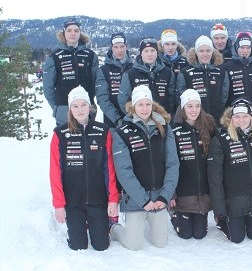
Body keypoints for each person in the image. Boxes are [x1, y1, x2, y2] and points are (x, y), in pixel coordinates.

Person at [49, 85, 119, 251]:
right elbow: (55, 171)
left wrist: (113, 199)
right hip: (73, 201)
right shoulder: (60, 133)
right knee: (78, 245)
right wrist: (59, 204)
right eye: (75, 105)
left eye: (83, 104)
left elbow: (109, 168)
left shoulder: (103, 131)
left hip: (97, 199)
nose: (80, 110)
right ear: (70, 109)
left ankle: (105, 227)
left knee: (101, 246)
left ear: (90, 106)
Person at [111, 85, 180, 250]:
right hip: (135, 198)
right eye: (140, 104)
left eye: (148, 104)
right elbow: (124, 171)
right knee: (134, 245)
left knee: (161, 242)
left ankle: (149, 220)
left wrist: (164, 196)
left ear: (152, 105)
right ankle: (114, 229)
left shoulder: (164, 128)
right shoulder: (122, 132)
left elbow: (172, 164)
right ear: (133, 106)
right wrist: (143, 200)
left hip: (158, 197)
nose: (144, 108)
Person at [207, 98, 252, 244]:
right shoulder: (221, 140)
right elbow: (215, 177)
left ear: (251, 117)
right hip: (234, 201)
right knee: (236, 239)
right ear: (231, 118)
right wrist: (220, 210)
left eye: (245, 116)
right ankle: (224, 223)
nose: (241, 120)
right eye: (237, 116)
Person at [170, 89, 216, 239]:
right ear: (183, 107)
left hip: (203, 191)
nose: (194, 110)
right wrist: (172, 194)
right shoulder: (173, 130)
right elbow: (169, 164)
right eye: (190, 106)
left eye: (197, 106)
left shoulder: (208, 127)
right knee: (185, 234)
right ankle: (175, 215)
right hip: (183, 192)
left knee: (199, 234)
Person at [43, 17, 99, 126]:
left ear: (80, 33)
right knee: (67, 142)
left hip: (87, 110)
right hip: (64, 112)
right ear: (64, 33)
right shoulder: (54, 57)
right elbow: (48, 87)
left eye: (76, 30)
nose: (73, 33)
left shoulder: (90, 55)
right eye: (69, 30)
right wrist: (56, 108)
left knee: (89, 142)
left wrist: (91, 102)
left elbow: (96, 82)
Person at [176, 35, 229, 124]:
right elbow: (181, 97)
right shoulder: (185, 72)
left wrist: (218, 108)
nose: (205, 54)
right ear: (196, 52)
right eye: (201, 51)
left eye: (208, 50)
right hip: (194, 120)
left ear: (213, 52)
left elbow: (224, 96)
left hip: (216, 119)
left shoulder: (221, 72)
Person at [221, 31, 252, 122]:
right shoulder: (226, 67)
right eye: (242, 48)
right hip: (235, 116)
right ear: (236, 48)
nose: (245, 51)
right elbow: (224, 95)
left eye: (248, 48)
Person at [118, 37, 175, 116]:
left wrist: (167, 115)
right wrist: (134, 116)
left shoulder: (168, 73)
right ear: (141, 53)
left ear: (157, 52)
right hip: (139, 120)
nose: (149, 54)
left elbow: (172, 98)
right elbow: (123, 101)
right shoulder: (130, 74)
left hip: (162, 120)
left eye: (152, 50)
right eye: (146, 51)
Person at [95, 32, 133, 127]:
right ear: (111, 48)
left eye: (122, 46)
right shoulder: (103, 70)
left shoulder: (134, 68)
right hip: (112, 122)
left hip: (134, 120)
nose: (119, 50)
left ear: (126, 47)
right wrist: (117, 119)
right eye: (116, 47)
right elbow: (102, 98)